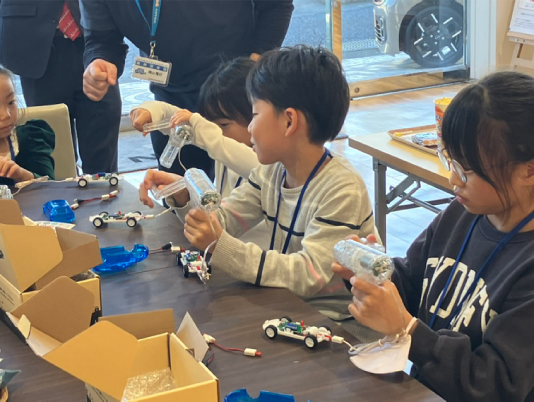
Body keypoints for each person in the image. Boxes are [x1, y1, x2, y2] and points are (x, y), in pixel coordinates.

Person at [333, 71, 534, 401]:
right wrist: (373, 276)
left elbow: (494, 385)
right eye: (449, 160)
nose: (453, 179)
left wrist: (408, 330)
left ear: (528, 170)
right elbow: (414, 283)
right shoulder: (463, 213)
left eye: (466, 170)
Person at [151, 46, 377, 320]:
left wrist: (221, 245)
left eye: (255, 114)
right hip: (288, 306)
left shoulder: (341, 189)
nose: (249, 127)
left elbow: (309, 274)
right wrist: (185, 198)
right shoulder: (271, 172)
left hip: (337, 323)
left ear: (289, 121)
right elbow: (223, 221)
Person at [79, 0, 294, 178]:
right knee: (179, 195)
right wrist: (99, 61)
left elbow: (277, 5)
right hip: (170, 95)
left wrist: (255, 62)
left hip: (235, 97)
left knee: (247, 190)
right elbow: (101, 39)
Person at [0, 0, 121, 174]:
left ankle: (102, 191)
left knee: (103, 157)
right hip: (33, 43)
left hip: (97, 40)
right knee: (54, 157)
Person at [132, 57, 259, 201]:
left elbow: (252, 165)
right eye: (211, 124)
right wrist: (184, 194)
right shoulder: (226, 153)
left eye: (224, 124)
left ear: (257, 115)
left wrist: (198, 125)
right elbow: (219, 212)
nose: (215, 131)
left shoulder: (267, 167)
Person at [0, 66, 55, 181]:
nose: (6, 115)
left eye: (11, 102)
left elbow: (49, 184)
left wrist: (20, 174)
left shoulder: (30, 138)